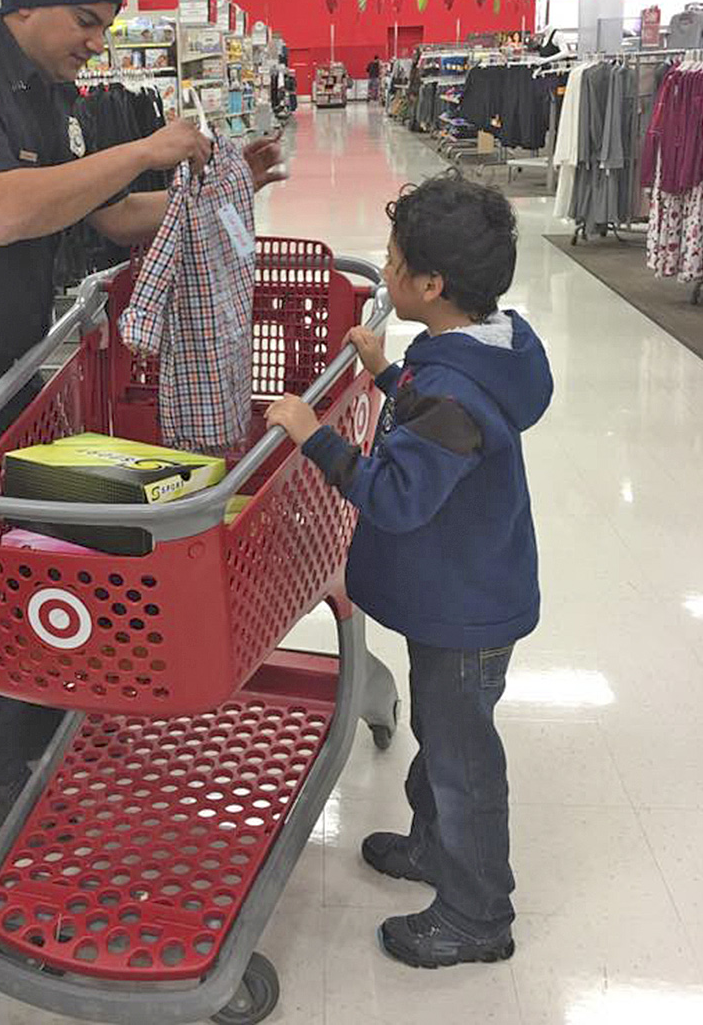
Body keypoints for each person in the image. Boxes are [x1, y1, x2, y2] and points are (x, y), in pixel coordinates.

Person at [0, 0, 283, 832]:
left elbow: (100, 216)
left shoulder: (45, 98)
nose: (98, 43)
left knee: (25, 554)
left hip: (12, 367)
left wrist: (220, 189)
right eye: (88, 21)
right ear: (30, 4)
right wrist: (144, 147)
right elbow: (8, 214)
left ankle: (41, 706)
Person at [266, 173, 552, 969]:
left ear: (430, 285)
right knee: (443, 732)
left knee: (462, 758)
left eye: (393, 263)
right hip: (470, 586)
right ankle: (434, 845)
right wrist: (389, 374)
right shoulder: (488, 347)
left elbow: (395, 494)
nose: (384, 274)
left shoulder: (455, 389)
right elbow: (442, 420)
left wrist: (310, 433)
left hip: (465, 606)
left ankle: (476, 913)